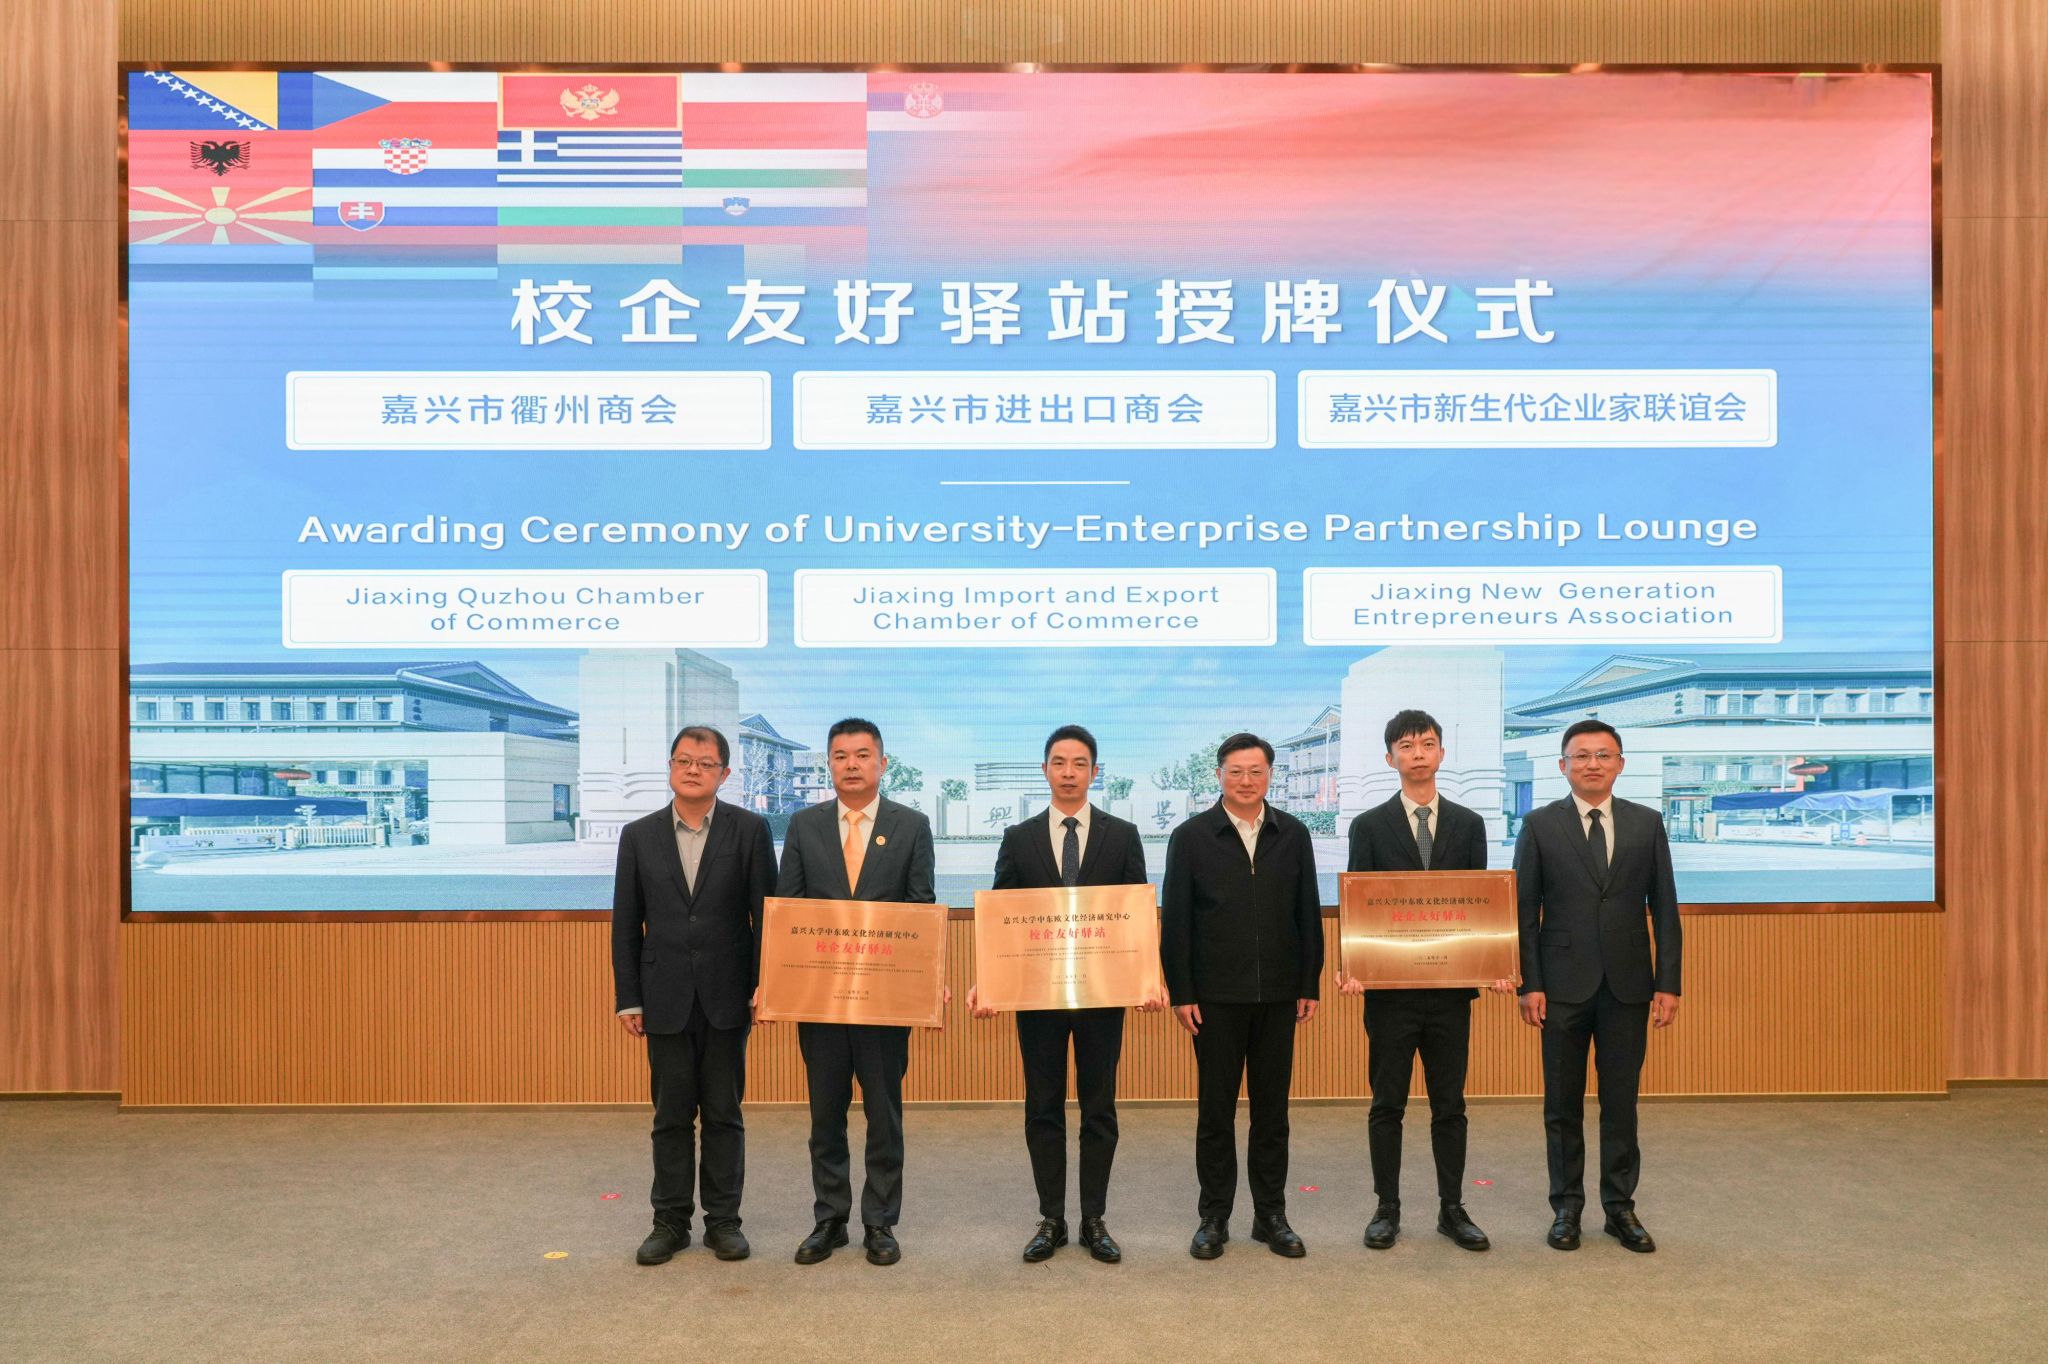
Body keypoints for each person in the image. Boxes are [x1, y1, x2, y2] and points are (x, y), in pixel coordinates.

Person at [968, 724, 1161, 1264]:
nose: (1069, 772)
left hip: (1103, 995)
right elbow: (1002, 917)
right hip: (1038, 996)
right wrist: (990, 979)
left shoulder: (1122, 836)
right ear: (1045, 770)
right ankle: (1051, 1218)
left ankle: (1094, 1219)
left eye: (1079, 764)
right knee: (1043, 1107)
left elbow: (1136, 914)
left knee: (1100, 1107)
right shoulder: (1019, 837)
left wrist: (1149, 976)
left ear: (1095, 772)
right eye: (1059, 762)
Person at [1339, 709, 1509, 1253]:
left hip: (1450, 994)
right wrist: (1353, 965)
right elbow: (1359, 904)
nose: (1418, 754)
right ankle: (1386, 1208)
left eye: (1428, 744)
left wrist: (1493, 963)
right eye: (1407, 746)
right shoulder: (1369, 826)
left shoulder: (1469, 824)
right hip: (1389, 995)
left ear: (1441, 754)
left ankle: (1451, 1208)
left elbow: (1480, 904)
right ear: (1390, 758)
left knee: (1449, 1105)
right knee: (1387, 1104)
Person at [1513, 719, 1683, 1253]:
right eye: (1581, 755)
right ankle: (1566, 1208)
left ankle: (1620, 1207)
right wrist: (1529, 983)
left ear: (1620, 764)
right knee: (1561, 1104)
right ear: (1563, 765)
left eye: (1603, 755)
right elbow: (1524, 913)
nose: (1592, 764)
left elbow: (1666, 909)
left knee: (1621, 1101)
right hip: (1560, 987)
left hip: (1629, 986)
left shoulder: (1646, 823)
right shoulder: (1539, 825)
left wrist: (1669, 983)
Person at [611, 725, 777, 1266]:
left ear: (724, 774)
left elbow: (767, 917)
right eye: (684, 760)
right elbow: (625, 923)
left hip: (729, 995)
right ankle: (670, 1222)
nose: (693, 770)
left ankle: (724, 1222)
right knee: (671, 1117)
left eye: (705, 764)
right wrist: (629, 997)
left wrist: (767, 986)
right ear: (670, 767)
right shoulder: (638, 835)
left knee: (724, 1114)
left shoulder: (749, 830)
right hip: (663, 996)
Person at [775, 718, 938, 1267]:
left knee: (883, 1113)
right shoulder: (804, 825)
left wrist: (922, 981)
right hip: (819, 999)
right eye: (841, 755)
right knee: (825, 1113)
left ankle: (880, 1222)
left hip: (885, 1002)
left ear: (882, 764)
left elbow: (920, 911)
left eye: (863, 755)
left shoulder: (911, 826)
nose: (851, 764)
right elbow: (788, 909)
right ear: (829, 764)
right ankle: (830, 1219)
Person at [1160, 732, 1323, 1260]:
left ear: (1271, 775)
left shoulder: (1292, 833)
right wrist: (1182, 991)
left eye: (1256, 771)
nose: (1246, 781)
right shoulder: (1191, 837)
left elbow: (1307, 912)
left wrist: (1309, 982)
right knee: (1216, 1112)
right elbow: (1176, 921)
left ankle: (1271, 1215)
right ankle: (1214, 1217)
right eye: (1236, 771)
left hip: (1278, 995)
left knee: (1272, 1113)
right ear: (1219, 776)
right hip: (1214, 999)